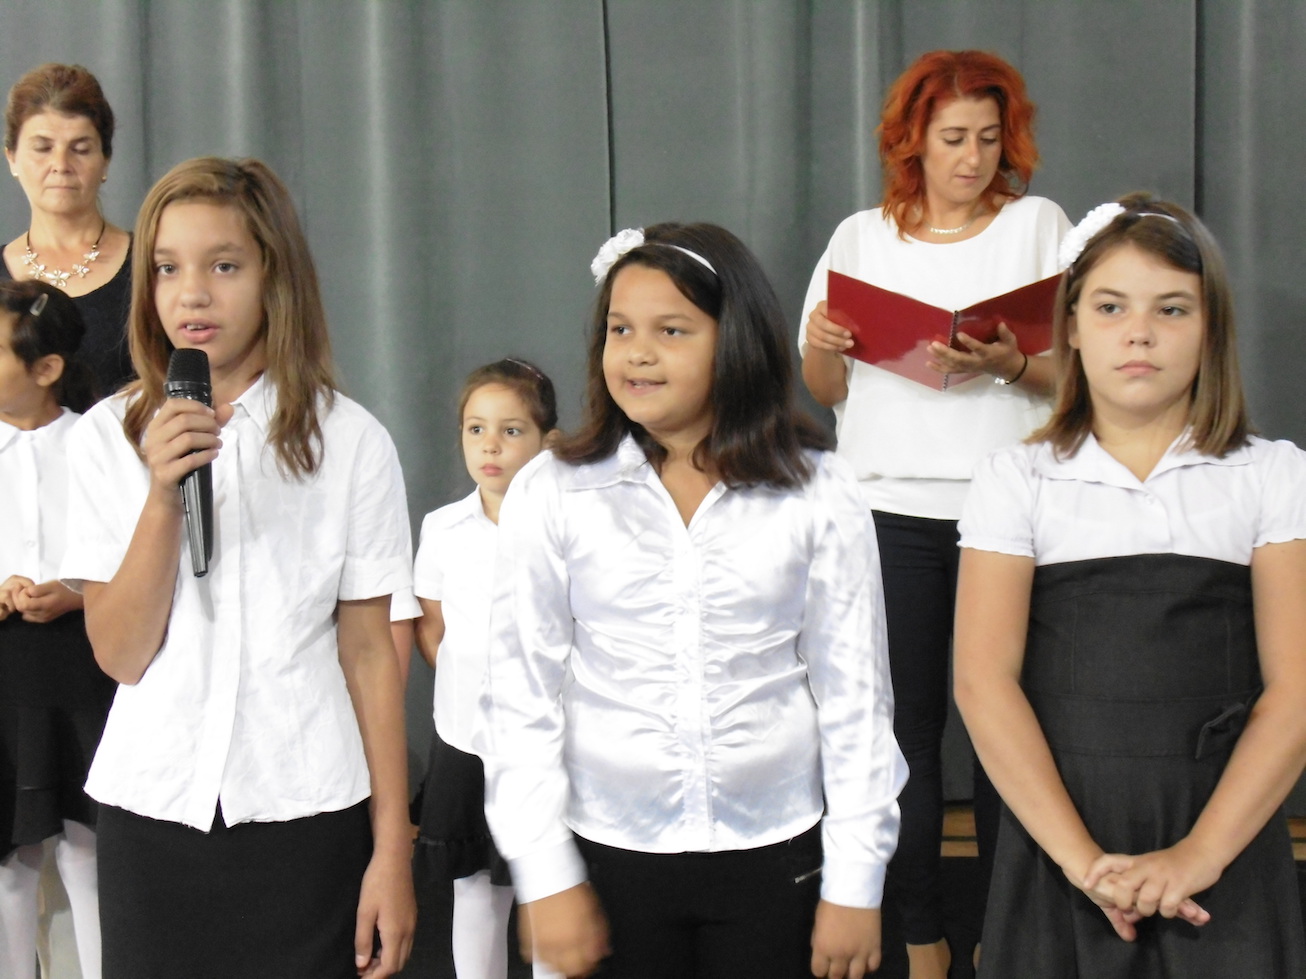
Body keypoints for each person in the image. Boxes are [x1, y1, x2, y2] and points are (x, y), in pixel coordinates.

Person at [478, 222, 907, 979]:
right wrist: (545, 871)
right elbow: (519, 694)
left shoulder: (817, 489)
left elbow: (856, 698)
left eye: (670, 330)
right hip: (608, 850)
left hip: (777, 848)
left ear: (734, 340)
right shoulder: (555, 490)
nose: (637, 353)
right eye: (620, 329)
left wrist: (855, 881)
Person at [58, 157, 416, 979]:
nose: (192, 294)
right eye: (166, 268)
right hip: (155, 814)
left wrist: (392, 849)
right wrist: (161, 497)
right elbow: (119, 653)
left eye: (223, 266)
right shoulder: (106, 438)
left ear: (274, 276)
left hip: (307, 814)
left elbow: (371, 654)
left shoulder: (350, 441)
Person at [953, 194, 1306, 977]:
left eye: (1171, 309)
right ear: (1072, 326)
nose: (1139, 332)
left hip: (1224, 838)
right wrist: (1084, 862)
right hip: (1062, 840)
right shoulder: (1019, 478)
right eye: (1111, 307)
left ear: (1211, 327)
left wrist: (1199, 854)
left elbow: (1297, 689)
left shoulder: (1272, 474)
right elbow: (982, 681)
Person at [797, 49, 1070, 978]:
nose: (973, 158)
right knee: (901, 732)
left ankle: (1004, 931)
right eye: (954, 138)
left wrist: (1009, 364)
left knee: (1006, 729)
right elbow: (825, 386)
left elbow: (1080, 373)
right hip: (886, 509)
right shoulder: (859, 238)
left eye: (990, 138)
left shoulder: (1038, 227)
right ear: (911, 141)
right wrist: (822, 341)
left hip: (1009, 511)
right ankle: (921, 934)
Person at [411, 357, 560, 979]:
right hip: (467, 740)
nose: (490, 445)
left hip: (547, 742)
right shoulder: (443, 528)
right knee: (474, 888)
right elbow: (432, 626)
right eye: (476, 429)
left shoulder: (566, 529)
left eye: (511, 430)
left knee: (550, 887)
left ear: (547, 441)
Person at [0, 280, 109, 979]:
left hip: (81, 664)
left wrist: (75, 593)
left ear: (46, 369)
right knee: (10, 860)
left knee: (86, 846)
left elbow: (129, 552)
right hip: (5, 670)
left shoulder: (98, 443)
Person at [4, 63, 132, 398]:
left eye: (80, 149)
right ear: (12, 158)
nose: (61, 165)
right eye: (43, 148)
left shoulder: (153, 264)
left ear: (105, 159)